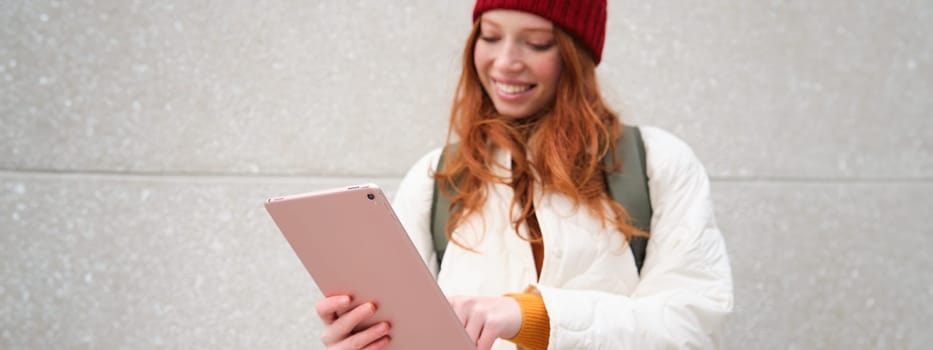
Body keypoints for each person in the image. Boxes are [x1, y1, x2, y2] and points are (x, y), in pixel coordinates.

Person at [314, 0, 733, 349]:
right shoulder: (436, 177)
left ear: (576, 54)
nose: (505, 62)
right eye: (490, 36)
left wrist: (532, 317)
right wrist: (370, 338)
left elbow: (690, 329)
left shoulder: (655, 163)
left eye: (537, 43)